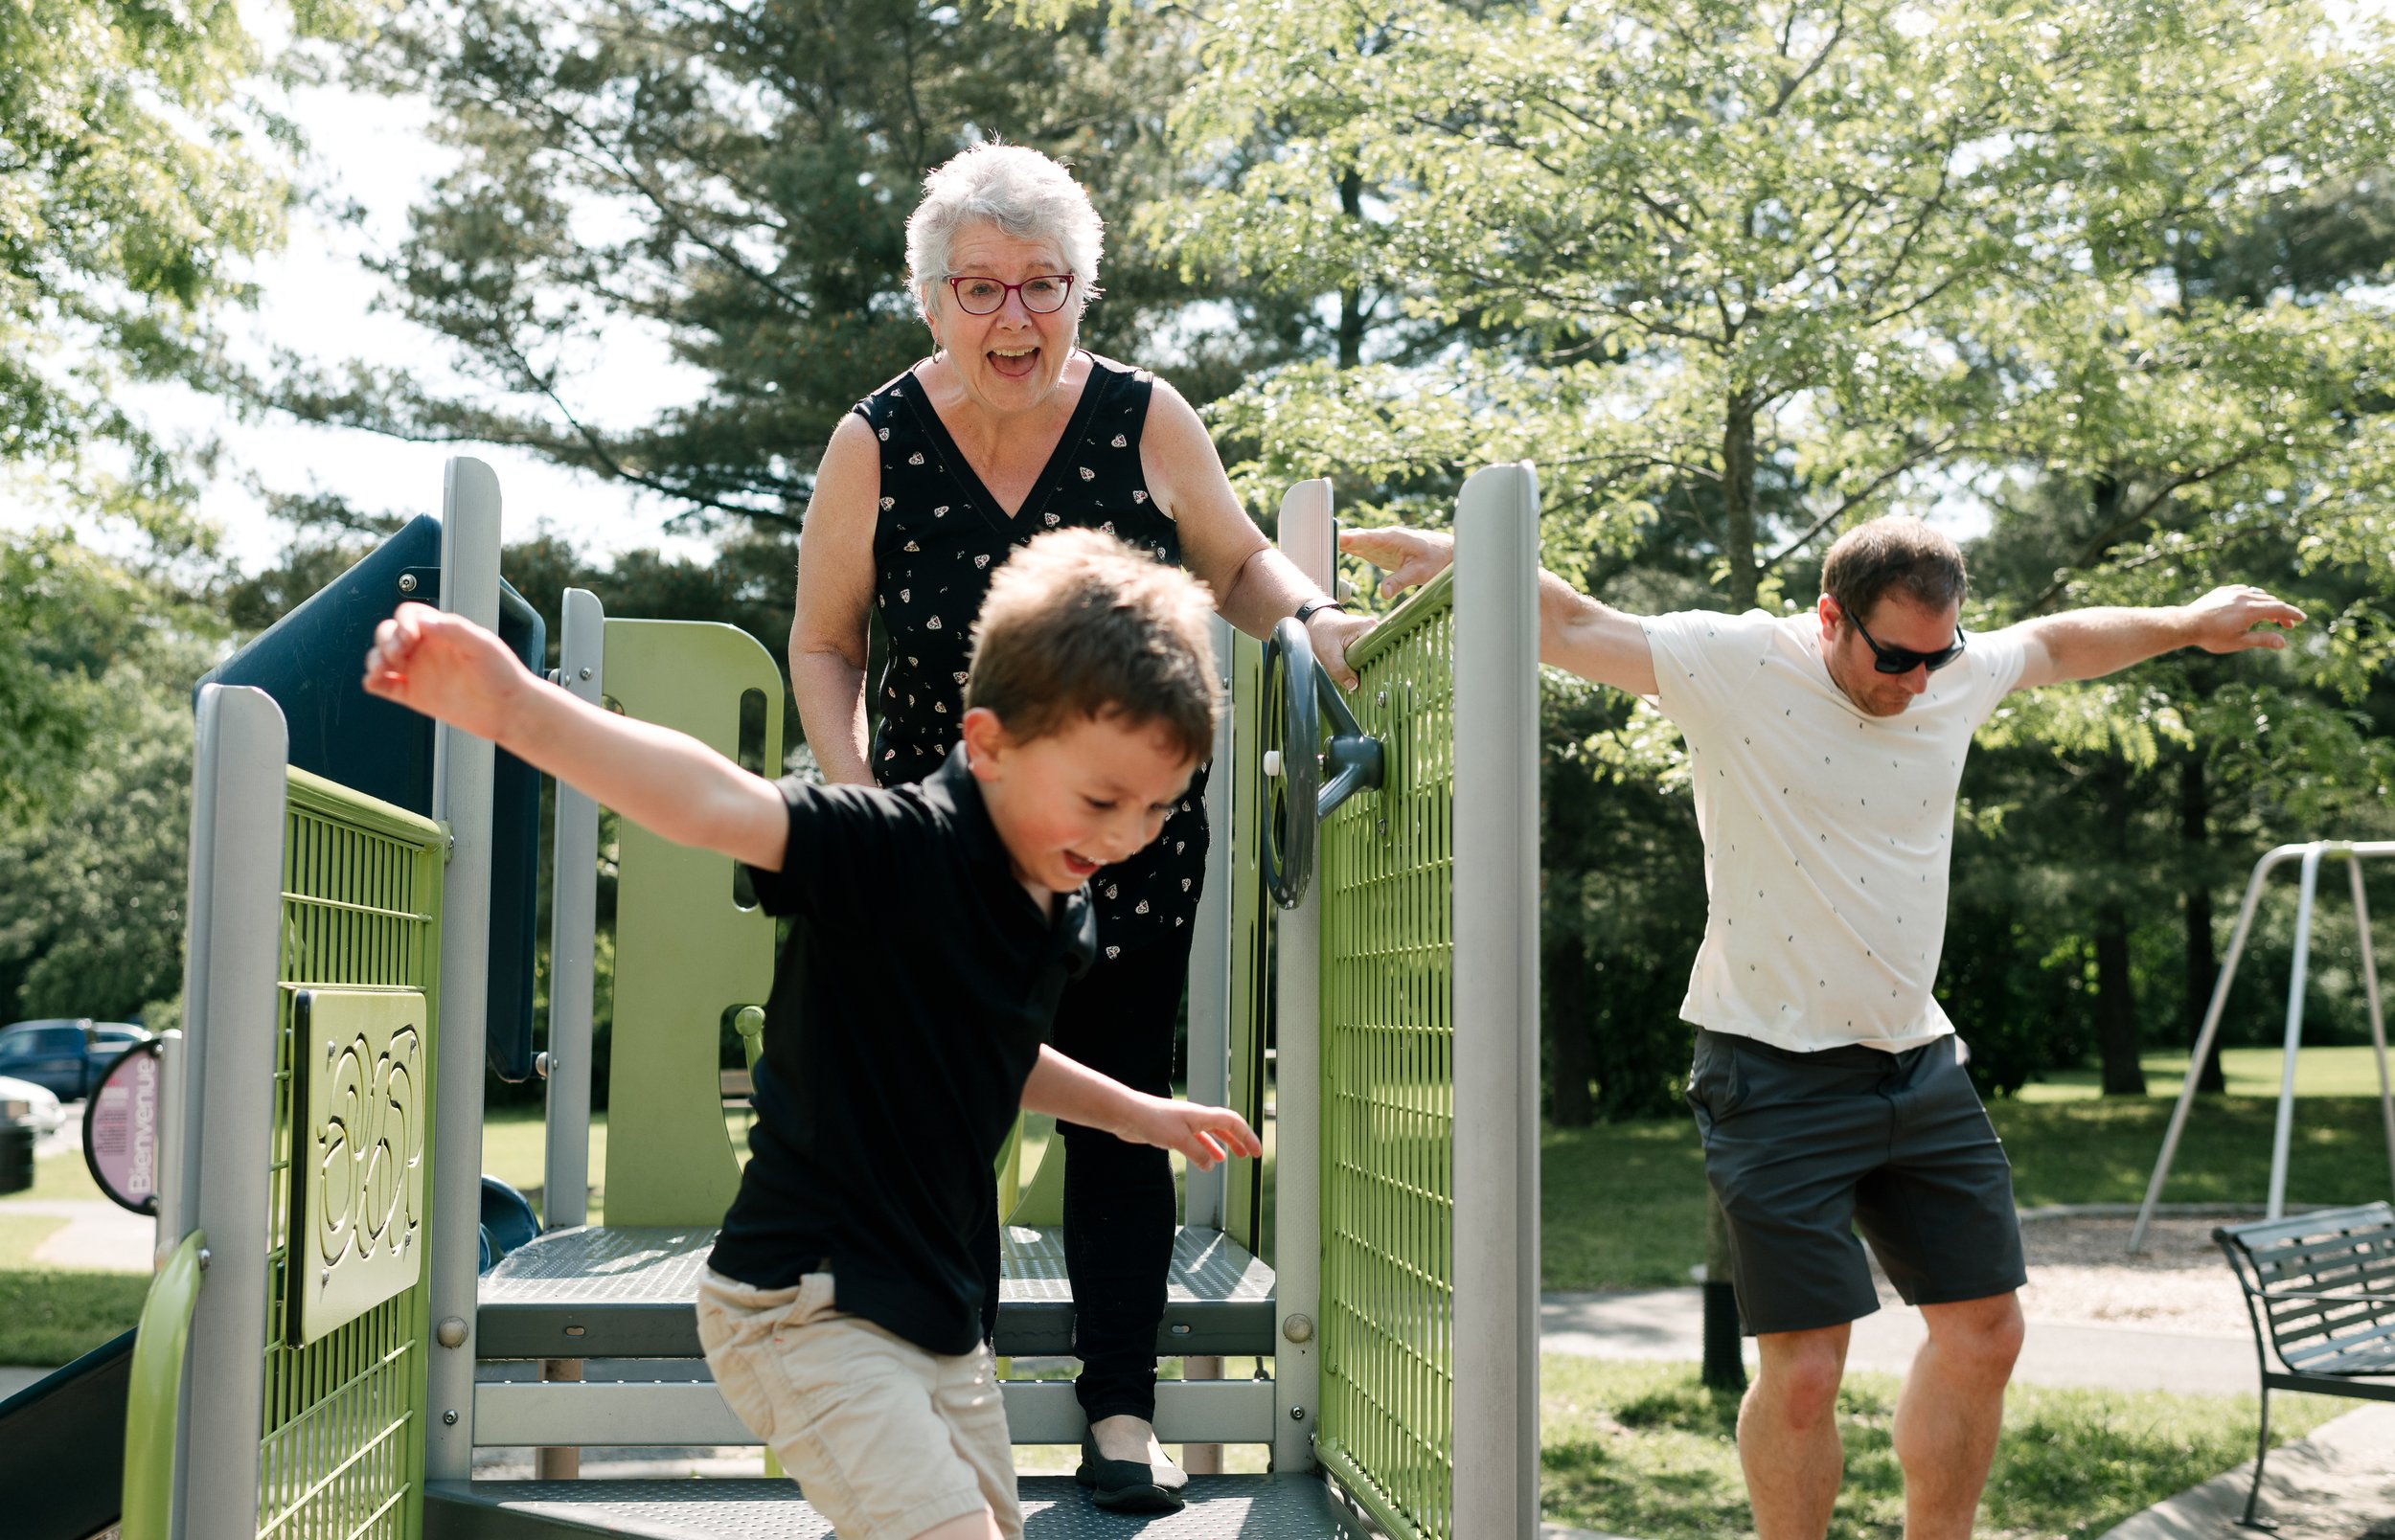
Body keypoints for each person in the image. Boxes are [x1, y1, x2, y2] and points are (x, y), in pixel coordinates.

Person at [1343, 515, 2304, 1540]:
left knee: (1985, 1334)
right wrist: (1483, 571)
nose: (1919, 683)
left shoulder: (1949, 672)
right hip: (1771, 1076)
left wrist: (2189, 622)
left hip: (1919, 1065)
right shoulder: (1737, 664)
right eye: (1895, 657)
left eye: (1939, 657)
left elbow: (2059, 642)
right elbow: (1576, 624)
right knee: (1803, 1374)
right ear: (1829, 617)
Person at [363, 530, 1264, 1540]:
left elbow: (996, 1052)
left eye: (1155, 810)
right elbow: (713, 801)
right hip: (804, 1306)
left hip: (938, 1319)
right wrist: (517, 708)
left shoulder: (1054, 905)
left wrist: (1137, 1113)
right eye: (1102, 800)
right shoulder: (896, 848)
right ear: (991, 741)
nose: (1123, 838)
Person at [788, 142, 1371, 1510]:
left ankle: (1121, 1416)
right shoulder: (874, 443)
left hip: (1127, 847)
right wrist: (858, 793)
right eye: (980, 289)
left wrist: (1311, 618)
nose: (1014, 319)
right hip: (952, 857)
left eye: (1043, 286)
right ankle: (955, 1411)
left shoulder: (1143, 416)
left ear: (1081, 293)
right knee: (948, 1126)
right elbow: (826, 643)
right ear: (932, 301)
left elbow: (1234, 561)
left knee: (1123, 1122)